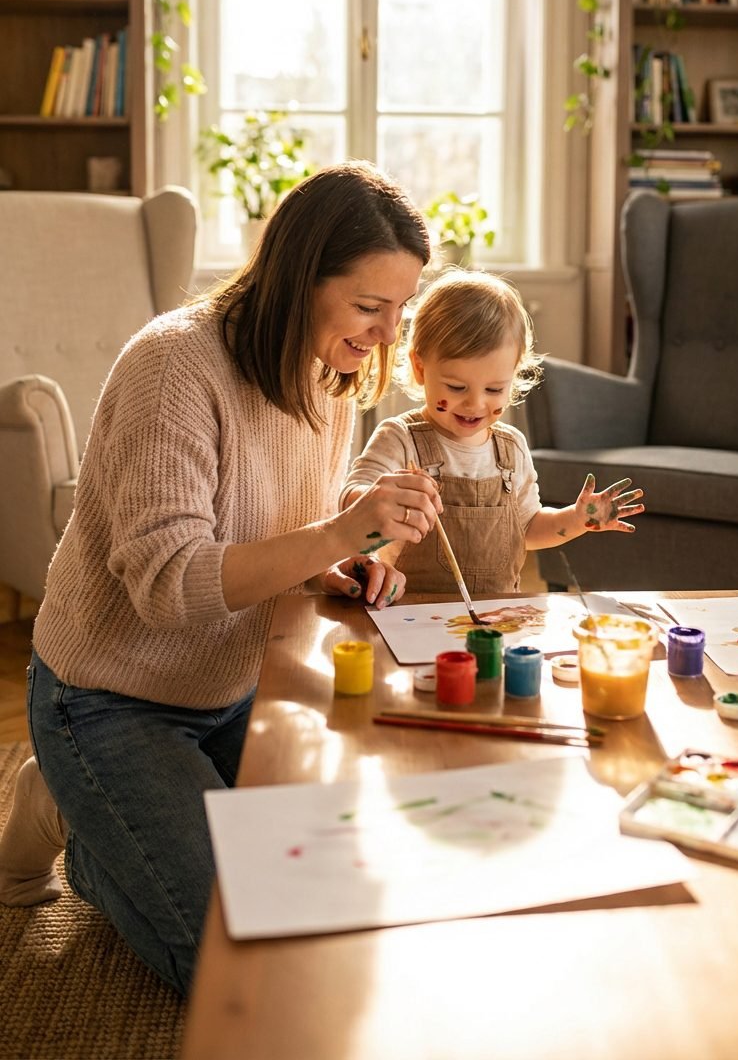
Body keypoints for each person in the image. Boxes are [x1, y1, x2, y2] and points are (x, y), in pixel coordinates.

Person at [0, 160, 443, 995]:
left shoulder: (328, 371)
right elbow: (169, 585)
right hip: (107, 698)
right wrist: (342, 528)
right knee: (235, 971)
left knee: (327, 901)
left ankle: (100, 813)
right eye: (369, 307)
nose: (389, 335)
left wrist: (345, 557)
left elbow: (281, 530)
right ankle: (83, 826)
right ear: (299, 278)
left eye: (401, 310)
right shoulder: (174, 367)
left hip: (238, 687)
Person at [342, 268, 644, 595]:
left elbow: (528, 529)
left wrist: (576, 519)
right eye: (456, 386)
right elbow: (350, 501)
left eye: (495, 389)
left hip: (498, 617)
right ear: (420, 367)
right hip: (411, 615)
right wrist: (385, 499)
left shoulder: (511, 448)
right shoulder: (400, 439)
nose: (474, 403)